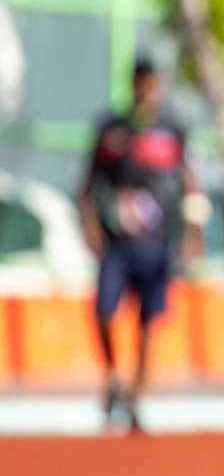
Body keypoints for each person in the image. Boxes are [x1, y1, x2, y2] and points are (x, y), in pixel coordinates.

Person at [78, 58, 206, 432]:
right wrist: (89, 226)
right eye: (142, 84)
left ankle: (136, 393)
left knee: (148, 321)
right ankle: (114, 378)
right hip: (117, 244)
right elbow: (87, 184)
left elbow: (191, 185)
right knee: (104, 310)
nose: (147, 91)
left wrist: (193, 235)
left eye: (154, 85)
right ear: (133, 85)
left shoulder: (173, 131)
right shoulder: (111, 130)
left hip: (156, 244)